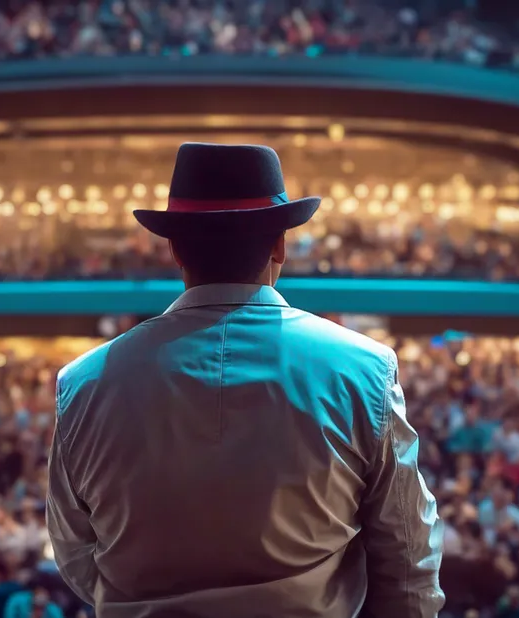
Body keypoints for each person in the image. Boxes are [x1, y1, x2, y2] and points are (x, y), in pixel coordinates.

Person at [47, 143, 444, 618]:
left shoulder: (83, 384)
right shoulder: (364, 370)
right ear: (279, 245)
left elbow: (75, 554)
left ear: (174, 249)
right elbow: (408, 563)